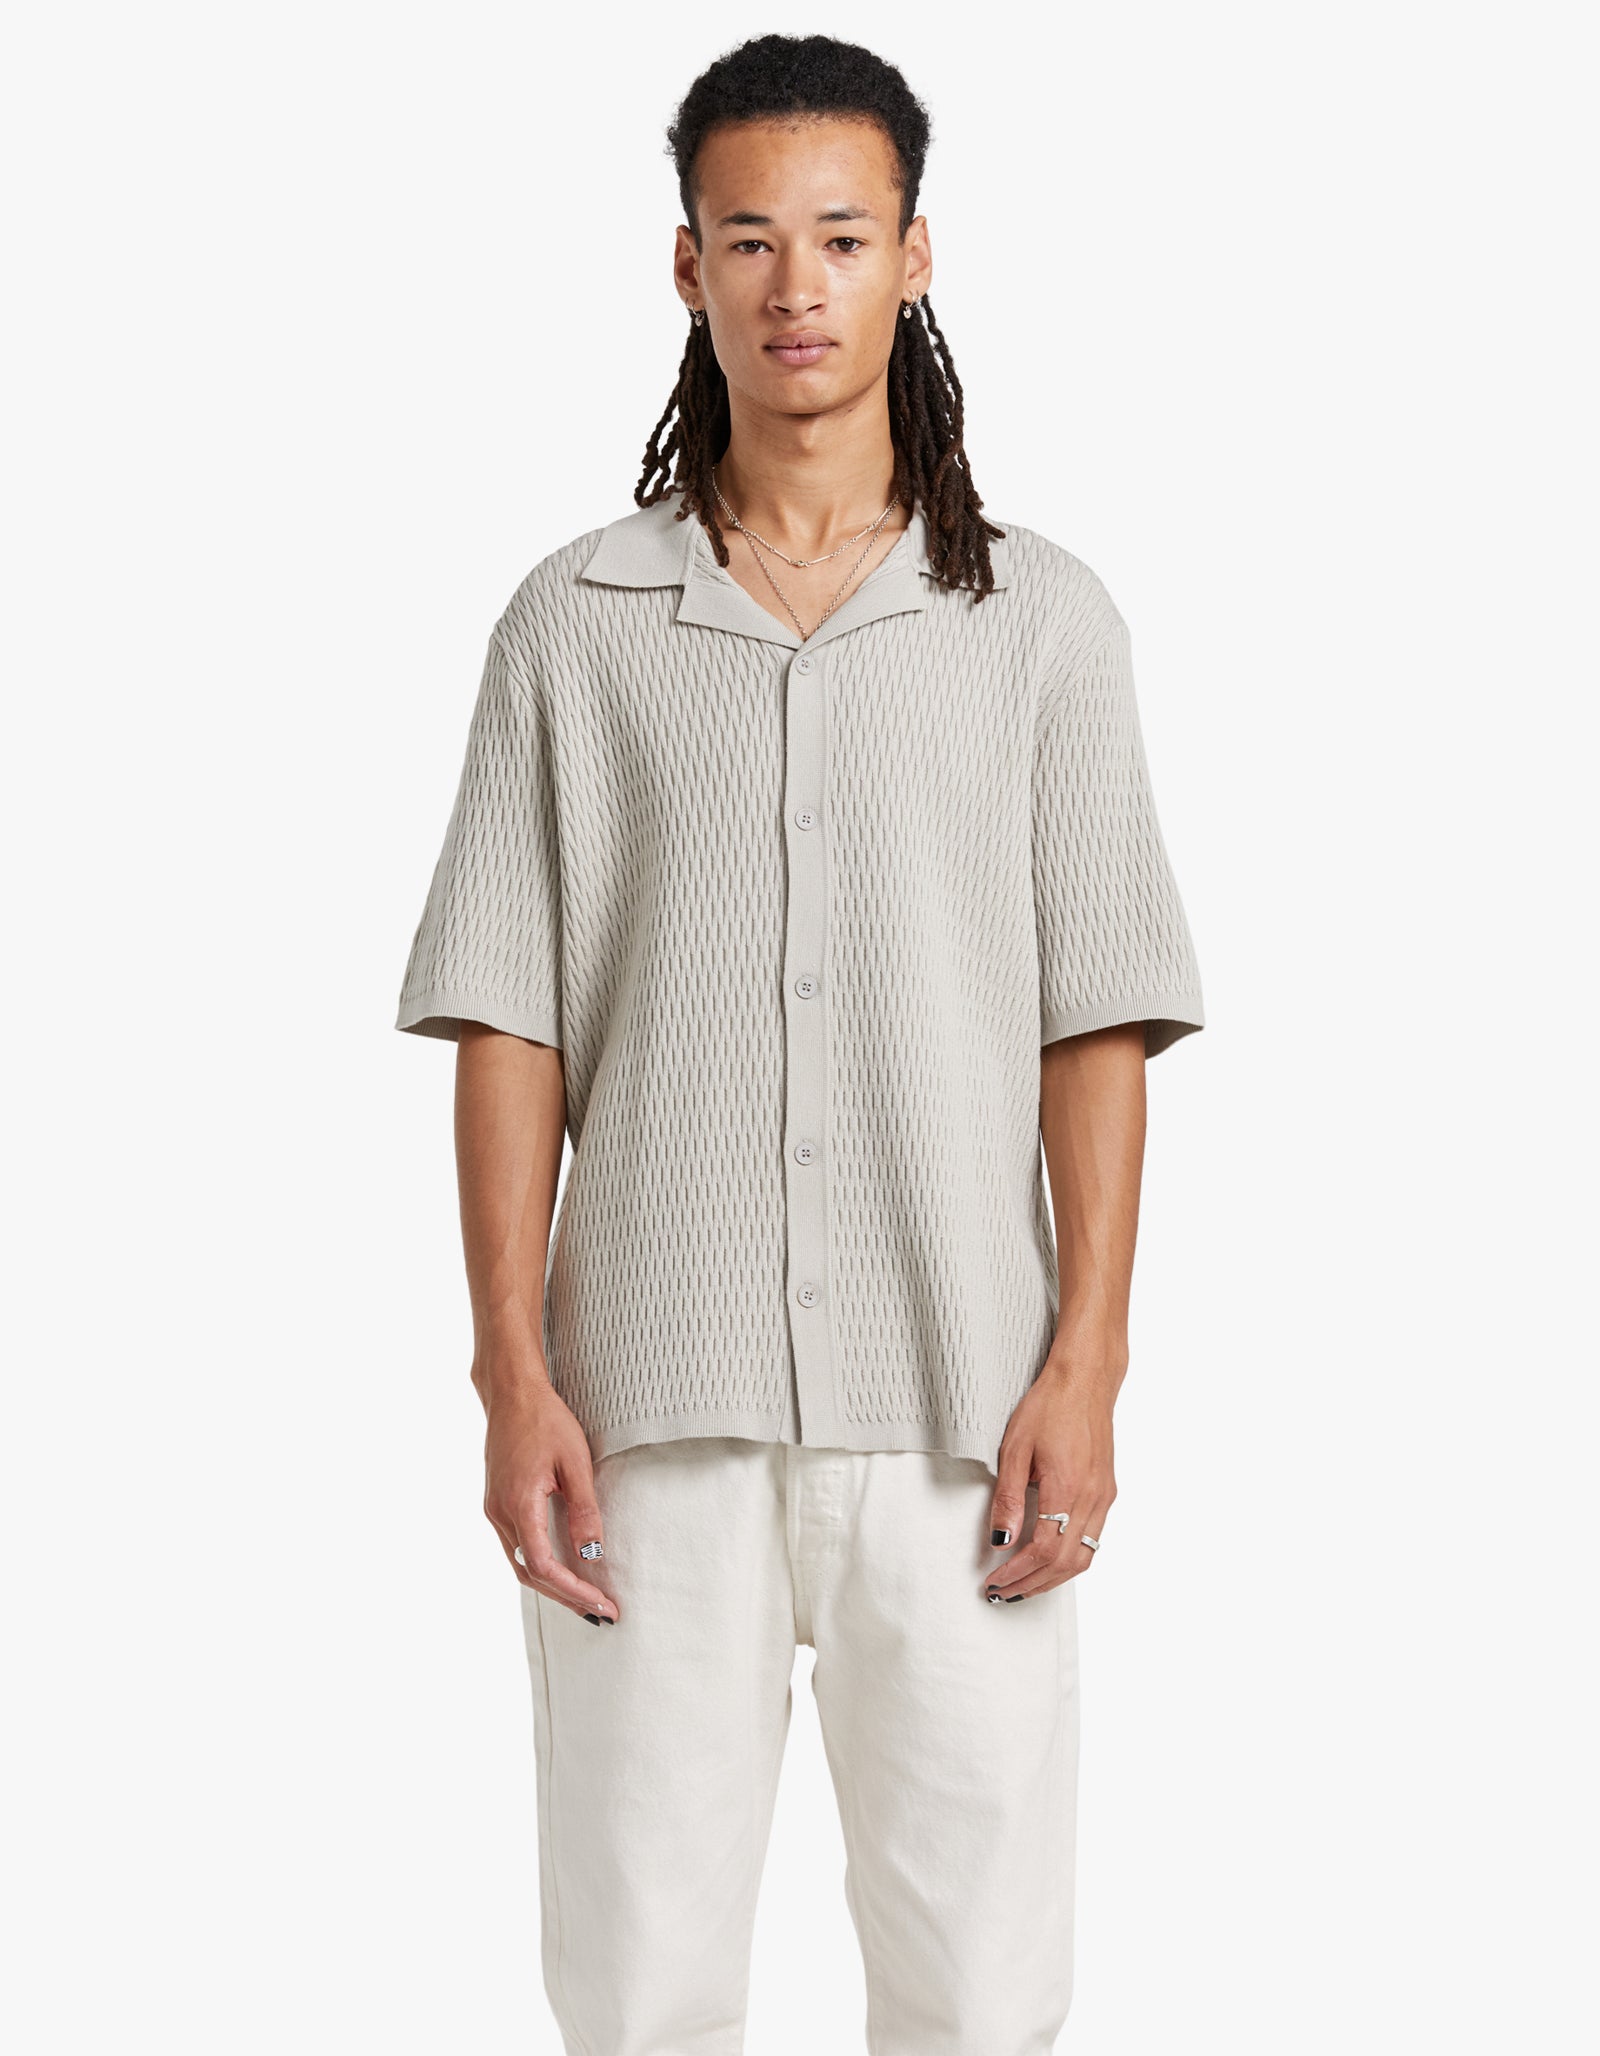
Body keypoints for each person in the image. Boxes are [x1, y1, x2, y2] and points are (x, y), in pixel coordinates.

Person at [394, 31, 1205, 2056]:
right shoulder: (571, 622)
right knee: (639, 1990)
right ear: (687, 267)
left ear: (915, 257)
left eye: (840, 236)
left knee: (978, 1994)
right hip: (642, 1412)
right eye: (748, 238)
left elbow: (1094, 1015)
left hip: (962, 1406)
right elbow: (506, 1017)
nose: (795, 285)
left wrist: (1089, 1361)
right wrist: (510, 1372)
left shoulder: (1043, 624)